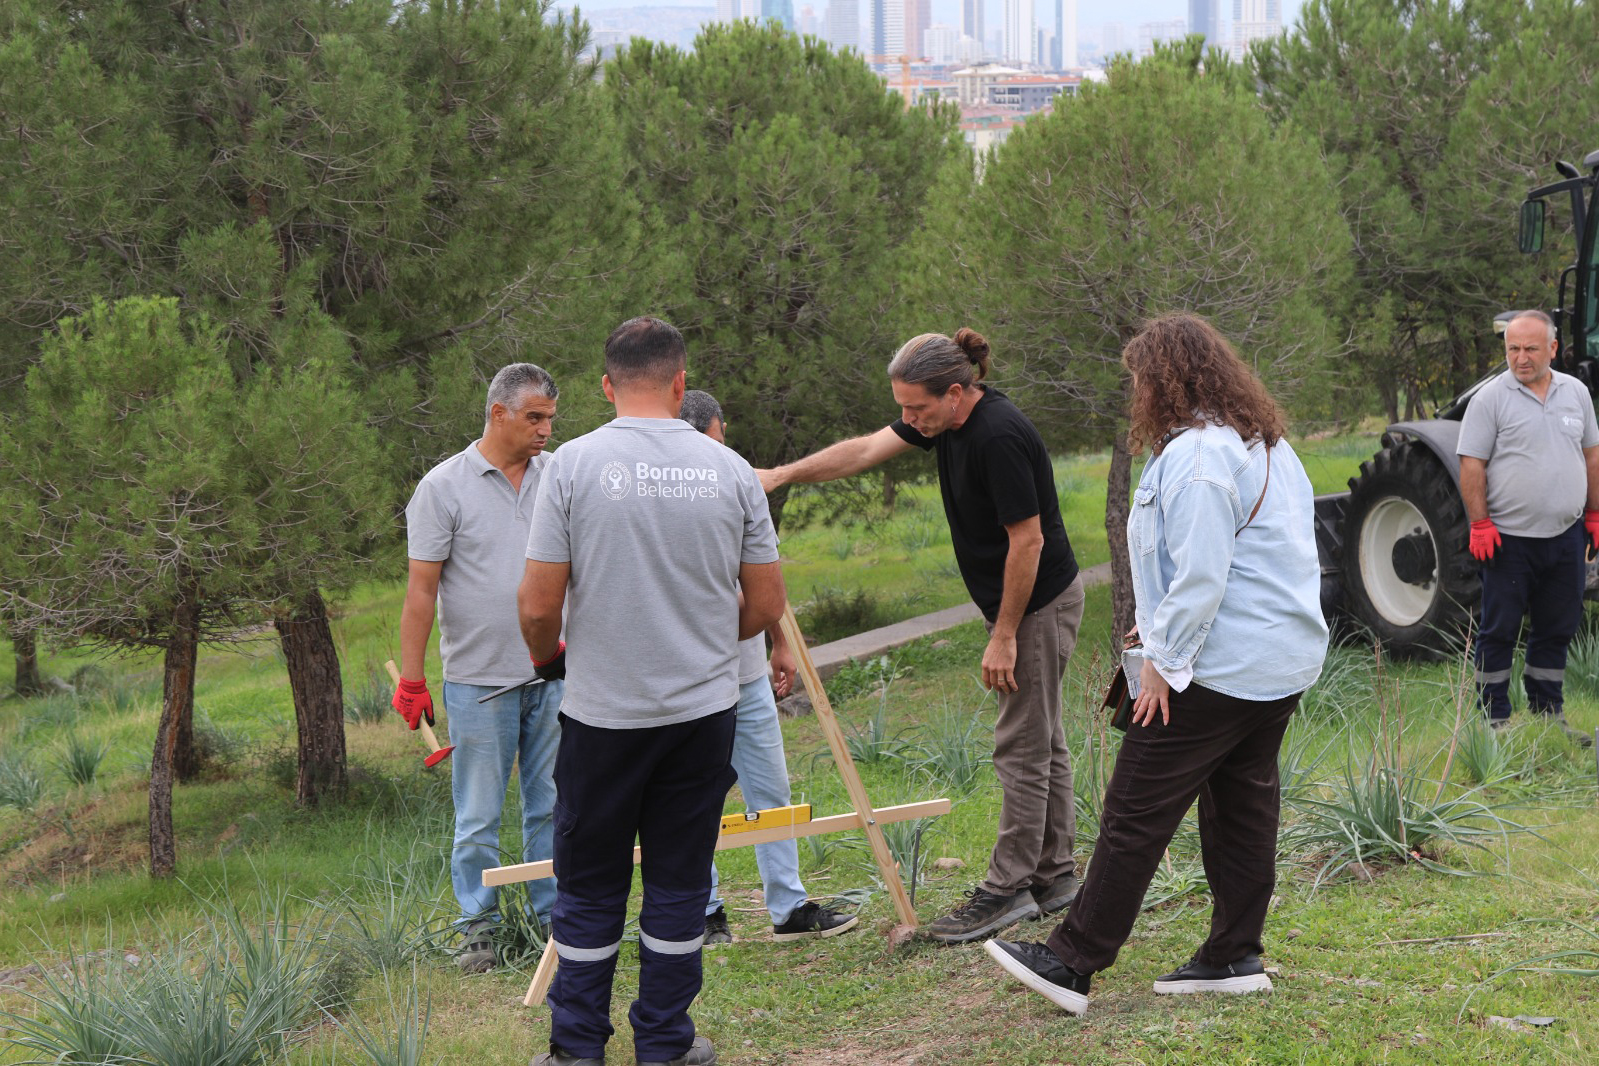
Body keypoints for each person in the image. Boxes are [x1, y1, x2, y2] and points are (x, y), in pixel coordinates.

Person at [985, 313, 1328, 1016]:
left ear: (1164, 381)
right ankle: (1232, 955)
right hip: (1277, 661)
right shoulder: (1263, 443)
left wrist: (1161, 661)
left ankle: (1071, 960)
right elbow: (1255, 554)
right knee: (1243, 807)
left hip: (1217, 667)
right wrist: (1160, 621)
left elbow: (1202, 574)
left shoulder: (1198, 456)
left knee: (1134, 810)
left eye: (1138, 379)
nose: (1134, 392)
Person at [759, 329, 1083, 944]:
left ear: (956, 393)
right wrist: (781, 475)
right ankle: (1054, 875)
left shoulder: (997, 435)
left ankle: (1007, 889)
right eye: (903, 408)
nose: (908, 421)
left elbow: (1029, 540)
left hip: (1036, 605)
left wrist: (1005, 634)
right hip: (1023, 605)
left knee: (1020, 745)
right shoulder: (944, 420)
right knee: (1042, 738)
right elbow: (861, 451)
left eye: (917, 408)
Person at [520, 319, 786, 1066]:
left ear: (607, 386)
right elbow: (766, 604)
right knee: (678, 879)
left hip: (602, 717)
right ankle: (665, 1043)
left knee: (589, 884)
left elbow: (538, 607)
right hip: (701, 714)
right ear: (680, 383)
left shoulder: (570, 466)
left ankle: (577, 1049)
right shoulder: (730, 470)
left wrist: (550, 661)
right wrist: (701, 639)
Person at [394, 364, 565, 974]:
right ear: (498, 413)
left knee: (552, 805)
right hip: (478, 681)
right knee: (478, 815)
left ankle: (554, 918)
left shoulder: (559, 476)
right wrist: (412, 679)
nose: (545, 430)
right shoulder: (443, 487)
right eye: (534, 417)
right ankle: (478, 928)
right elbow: (421, 591)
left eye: (550, 419)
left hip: (555, 674)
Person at [676, 389, 859, 945]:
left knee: (770, 790)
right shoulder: (662, 497)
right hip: (683, 682)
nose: (723, 450)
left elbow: (762, 576)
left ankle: (789, 906)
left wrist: (780, 642)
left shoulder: (735, 484)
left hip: (745, 674)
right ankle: (704, 911)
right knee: (692, 799)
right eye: (716, 440)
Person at [1458, 309, 1599, 742]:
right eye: (1513, 349)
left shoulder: (1576, 393)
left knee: (1557, 627)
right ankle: (1494, 721)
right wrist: (1480, 524)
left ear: (1552, 349)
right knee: (1499, 630)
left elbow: (1592, 456)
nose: (1521, 358)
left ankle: (1547, 715)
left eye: (1530, 349)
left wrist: (1594, 514)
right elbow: (1471, 464)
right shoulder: (1490, 400)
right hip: (1509, 541)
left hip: (1566, 538)